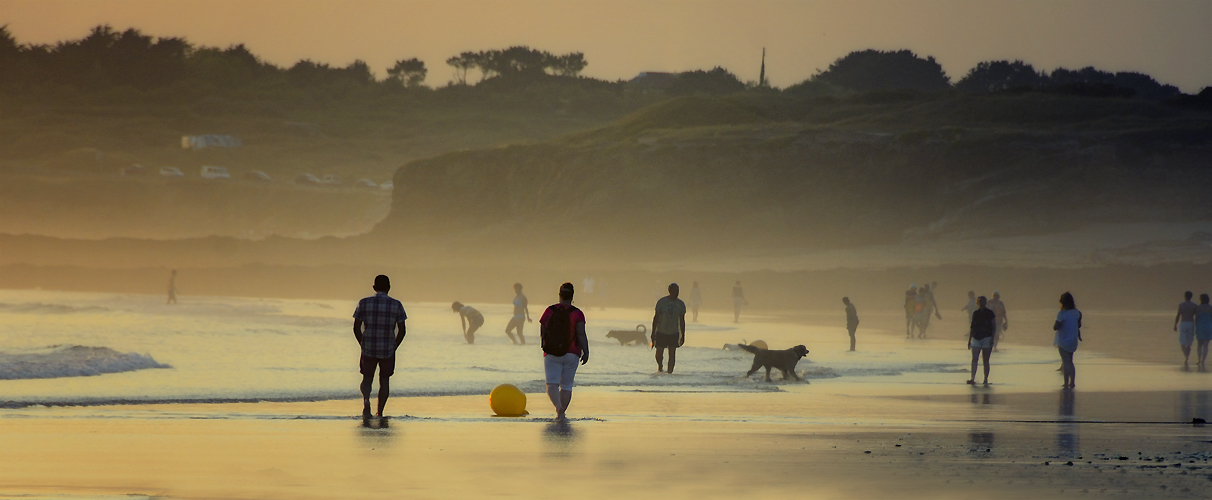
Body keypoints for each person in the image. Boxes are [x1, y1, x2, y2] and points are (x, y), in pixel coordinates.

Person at [352, 275, 408, 418]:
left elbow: (356, 327)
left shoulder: (364, 302)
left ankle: (366, 401)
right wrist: (394, 345)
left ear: (374, 288)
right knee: (384, 380)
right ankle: (380, 412)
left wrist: (362, 344)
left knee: (367, 378)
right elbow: (402, 330)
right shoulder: (396, 304)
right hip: (387, 348)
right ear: (389, 288)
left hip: (368, 347)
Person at [539, 282, 589, 421]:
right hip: (572, 353)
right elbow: (581, 334)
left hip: (551, 353)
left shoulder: (550, 310)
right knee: (566, 385)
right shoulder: (577, 313)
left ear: (559, 294)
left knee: (552, 384)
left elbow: (543, 329)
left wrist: (544, 344)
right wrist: (586, 351)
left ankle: (558, 407)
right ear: (572, 296)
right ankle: (561, 413)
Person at [652, 283, 688, 374]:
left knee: (672, 354)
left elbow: (682, 321)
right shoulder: (662, 302)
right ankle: (660, 366)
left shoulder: (680, 304)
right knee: (659, 353)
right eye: (675, 291)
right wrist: (653, 332)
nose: (676, 293)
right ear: (670, 291)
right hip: (661, 331)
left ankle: (669, 373)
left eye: (678, 291)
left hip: (674, 332)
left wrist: (682, 335)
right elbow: (656, 318)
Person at [1054, 292, 1083, 389]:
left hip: (1062, 340)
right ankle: (1072, 382)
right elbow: (1079, 325)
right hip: (1073, 340)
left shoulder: (1061, 313)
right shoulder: (1077, 313)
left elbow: (1055, 327)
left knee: (1065, 361)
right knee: (1070, 361)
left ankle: (1066, 383)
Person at [967, 296, 996, 385]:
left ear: (985, 302)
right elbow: (972, 327)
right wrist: (969, 340)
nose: (981, 303)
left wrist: (992, 338)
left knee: (985, 360)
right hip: (976, 338)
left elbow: (994, 326)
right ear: (977, 303)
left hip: (987, 338)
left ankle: (985, 380)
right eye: (980, 302)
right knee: (974, 359)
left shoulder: (990, 313)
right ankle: (972, 379)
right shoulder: (975, 313)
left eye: (983, 301)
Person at [1174, 291, 1198, 369]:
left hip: (1183, 323)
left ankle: (1186, 356)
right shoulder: (1194, 305)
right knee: (1189, 343)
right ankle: (1186, 356)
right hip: (1191, 323)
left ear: (1185, 296)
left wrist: (1175, 325)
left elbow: (1178, 315)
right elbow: (1196, 317)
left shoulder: (1181, 305)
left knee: (1182, 342)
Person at [1194, 293, 1212, 370]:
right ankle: (1203, 361)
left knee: (1199, 344)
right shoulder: (1210, 308)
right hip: (1208, 326)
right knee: (1206, 345)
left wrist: (1195, 326)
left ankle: (1199, 359)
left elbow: (1196, 318)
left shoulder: (1198, 308)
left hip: (1200, 326)